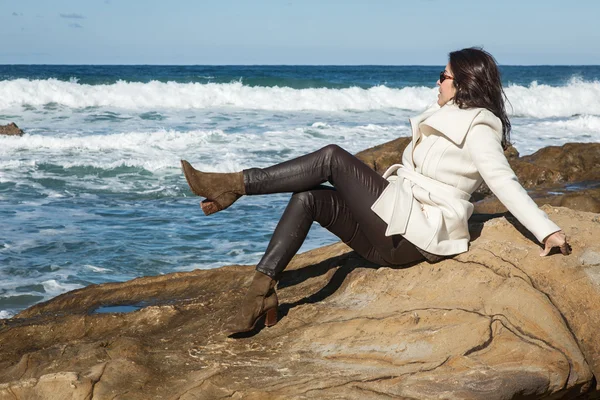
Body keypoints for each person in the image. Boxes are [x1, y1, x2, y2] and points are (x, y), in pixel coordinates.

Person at [180, 47, 571, 337]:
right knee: (308, 199)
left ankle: (233, 185)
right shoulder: (446, 116)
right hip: (390, 225)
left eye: (443, 75)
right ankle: (261, 292)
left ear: (464, 82)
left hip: (412, 236)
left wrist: (546, 229)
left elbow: (504, 181)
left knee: (332, 157)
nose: (437, 81)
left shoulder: (481, 127)